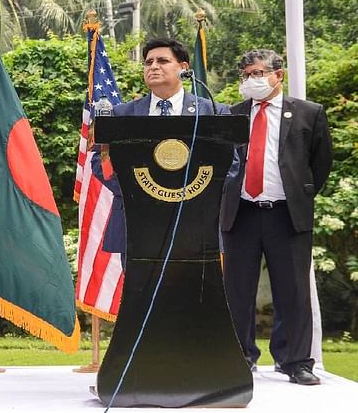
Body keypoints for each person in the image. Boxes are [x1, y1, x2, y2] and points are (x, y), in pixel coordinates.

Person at [220, 49, 332, 385]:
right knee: (237, 289)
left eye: (257, 73)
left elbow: (320, 162)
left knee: (293, 290)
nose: (250, 80)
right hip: (241, 213)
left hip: (286, 214)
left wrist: (301, 193)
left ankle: (295, 361)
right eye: (245, 74)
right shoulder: (233, 115)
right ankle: (240, 356)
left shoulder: (308, 113)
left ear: (277, 75)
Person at [113, 38, 225, 116]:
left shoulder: (213, 111)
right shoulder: (122, 113)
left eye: (163, 61)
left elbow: (225, 151)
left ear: (184, 68)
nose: (153, 67)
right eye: (148, 62)